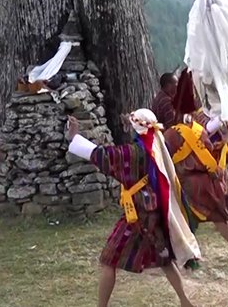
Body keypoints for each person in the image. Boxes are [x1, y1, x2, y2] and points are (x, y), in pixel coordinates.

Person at [67, 109, 201, 307]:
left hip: (137, 214)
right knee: (164, 260)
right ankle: (185, 302)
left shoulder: (134, 153)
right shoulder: (158, 146)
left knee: (108, 260)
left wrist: (74, 137)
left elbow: (104, 155)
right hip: (153, 211)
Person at [166, 69, 228, 259]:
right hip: (197, 183)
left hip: (191, 183)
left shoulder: (172, 133)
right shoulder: (195, 129)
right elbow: (206, 149)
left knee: (192, 219)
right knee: (212, 217)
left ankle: (184, 254)